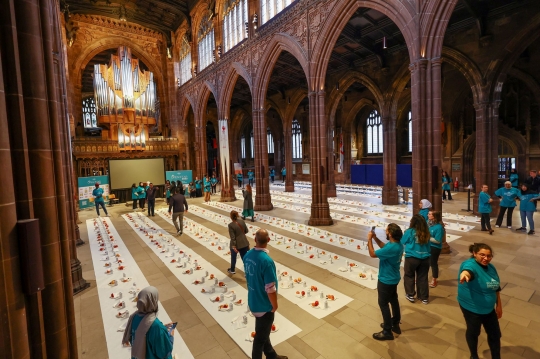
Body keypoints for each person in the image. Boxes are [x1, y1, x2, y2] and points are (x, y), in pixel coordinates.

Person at [243, 229, 288, 359]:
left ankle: (271, 355)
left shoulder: (247, 255)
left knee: (263, 331)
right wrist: (274, 305)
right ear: (268, 240)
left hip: (253, 299)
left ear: (254, 239)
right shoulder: (266, 261)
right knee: (259, 340)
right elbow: (270, 288)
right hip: (263, 305)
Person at [458, 243, 502, 359]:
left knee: (495, 335)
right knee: (474, 332)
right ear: (474, 254)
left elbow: (496, 287)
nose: (486, 258)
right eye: (482, 255)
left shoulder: (491, 268)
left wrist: (499, 305)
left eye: (489, 256)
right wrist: (465, 274)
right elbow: (468, 271)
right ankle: (473, 355)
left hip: (489, 309)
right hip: (472, 308)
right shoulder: (470, 264)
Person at [367, 223, 404, 341]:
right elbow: (384, 247)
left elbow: (372, 254)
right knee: (393, 300)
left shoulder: (392, 247)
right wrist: (375, 238)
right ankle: (395, 323)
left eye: (386, 231)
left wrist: (369, 240)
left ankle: (387, 331)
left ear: (391, 234)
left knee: (383, 303)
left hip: (386, 279)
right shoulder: (397, 244)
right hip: (394, 277)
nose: (385, 232)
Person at [122, 286, 175, 359]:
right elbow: (164, 353)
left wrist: (161, 329)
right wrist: (170, 336)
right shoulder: (156, 327)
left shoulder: (134, 317)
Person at [402, 214, 431, 304]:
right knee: (423, 277)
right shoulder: (427, 232)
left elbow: (402, 241)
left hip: (412, 257)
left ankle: (410, 294)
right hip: (425, 258)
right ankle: (423, 297)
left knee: (409, 275)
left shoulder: (410, 231)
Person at [227, 210, 250, 275]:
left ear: (231, 216)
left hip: (236, 244)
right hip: (244, 242)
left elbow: (233, 237)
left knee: (233, 257)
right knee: (244, 258)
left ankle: (232, 269)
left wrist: (234, 246)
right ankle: (247, 272)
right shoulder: (242, 221)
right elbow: (246, 231)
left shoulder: (231, 225)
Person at [428, 210, 445, 288]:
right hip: (427, 246)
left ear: (434, 217)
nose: (428, 215)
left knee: (433, 263)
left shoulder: (438, 227)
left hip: (435, 248)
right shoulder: (429, 224)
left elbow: (438, 241)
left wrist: (427, 238)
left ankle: (434, 279)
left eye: (430, 214)